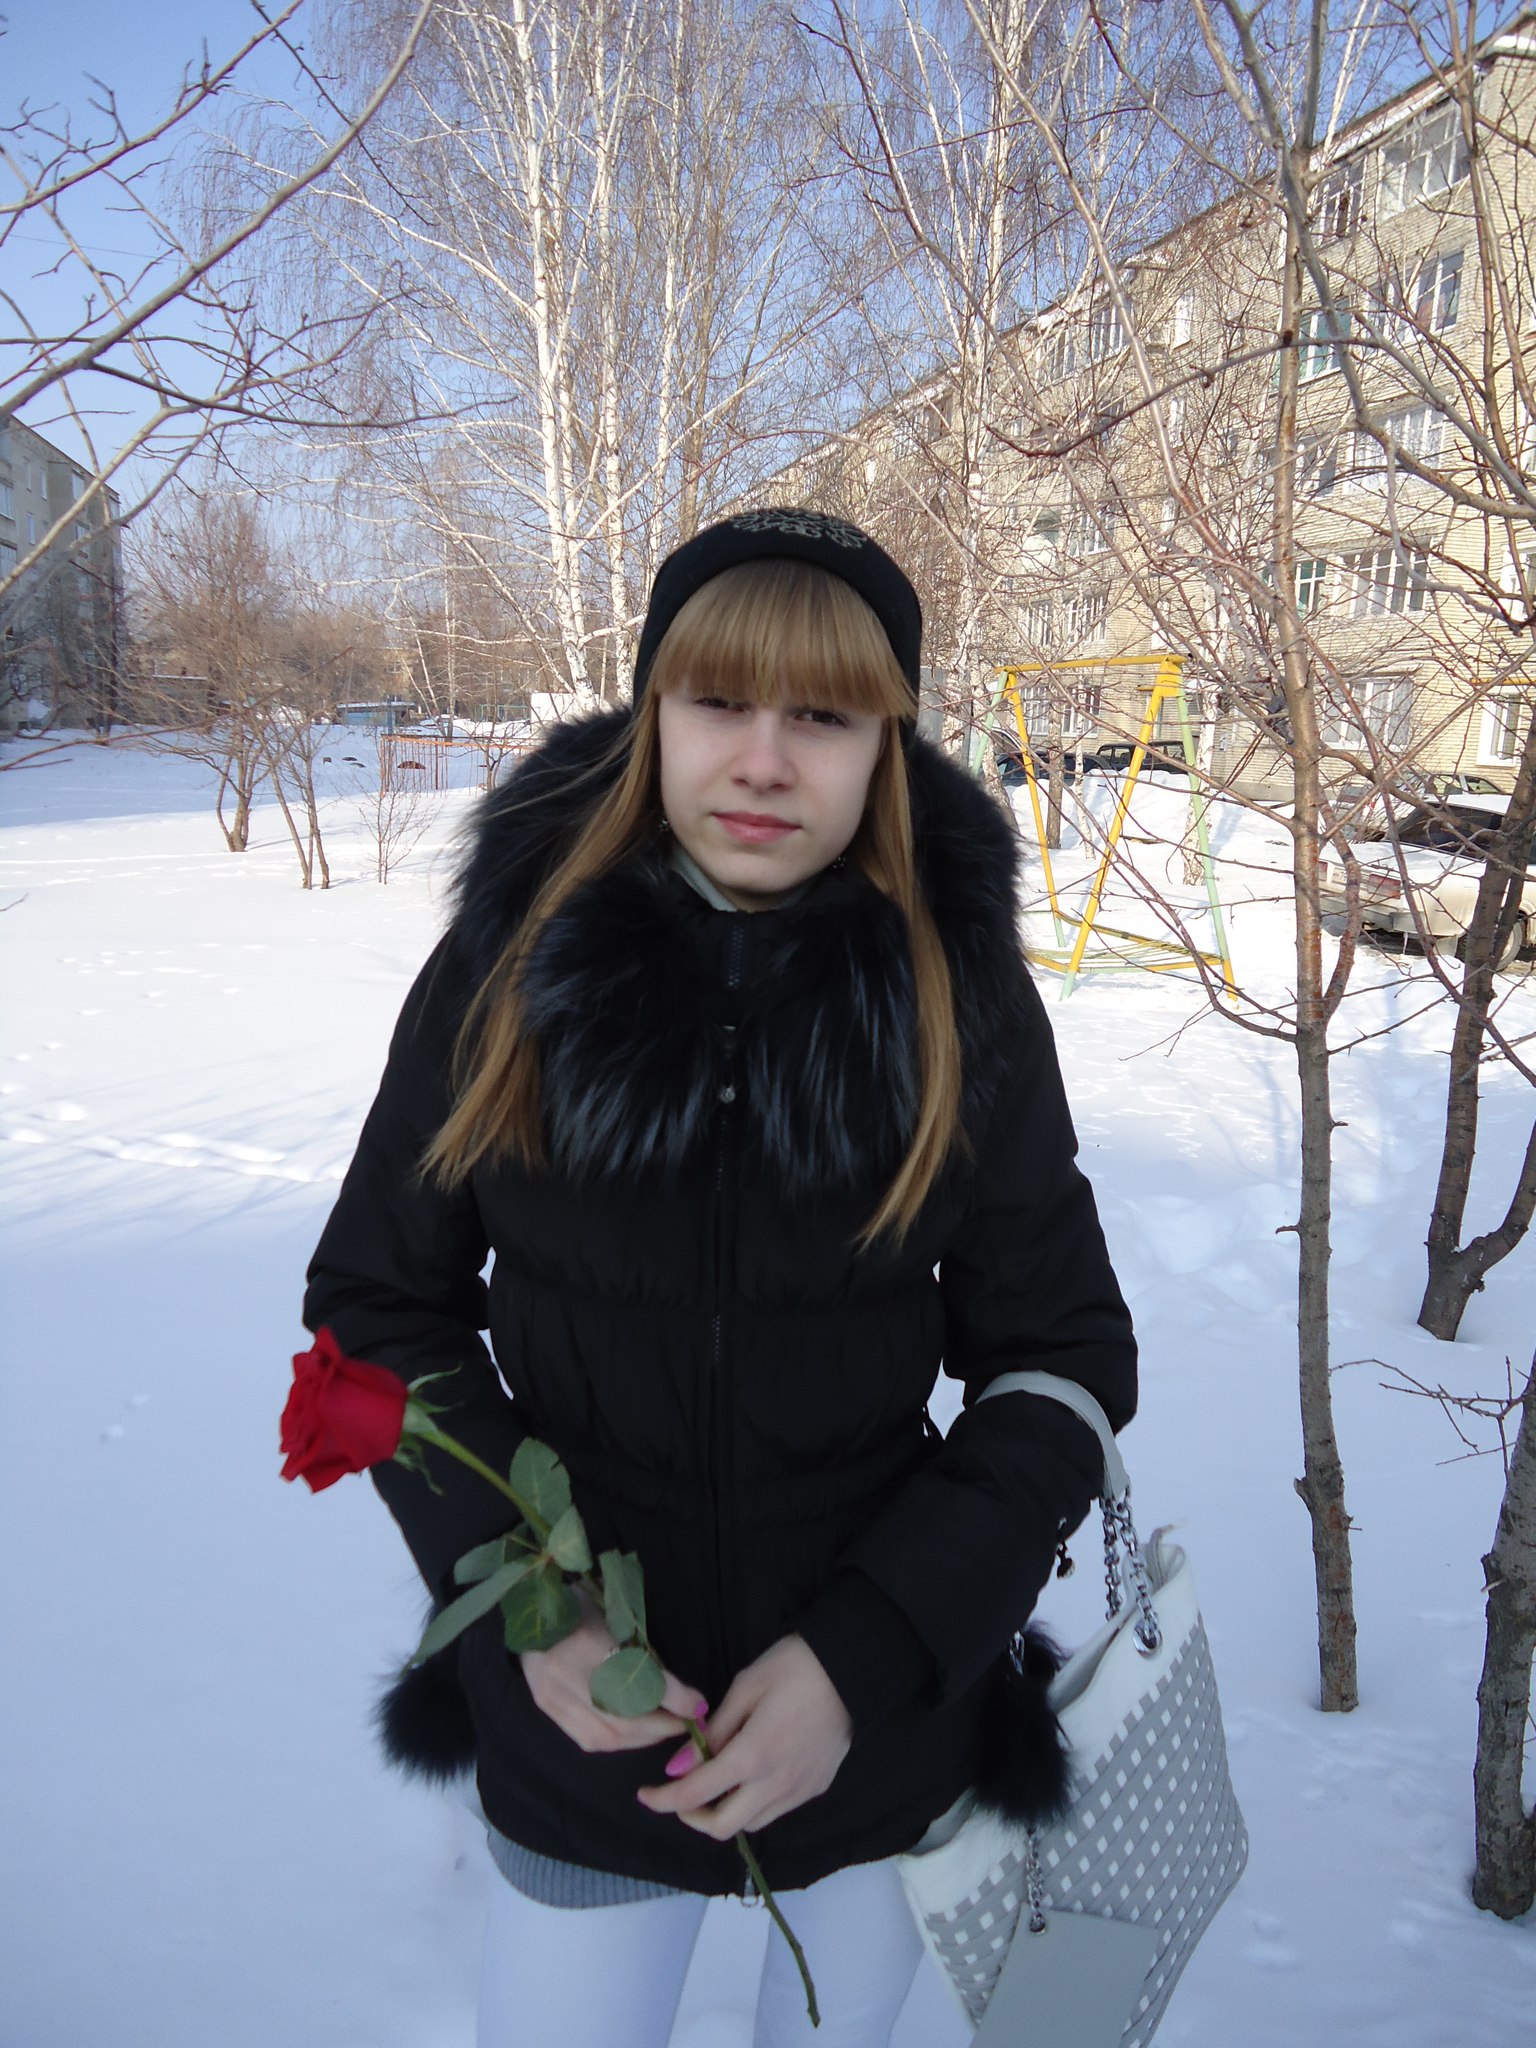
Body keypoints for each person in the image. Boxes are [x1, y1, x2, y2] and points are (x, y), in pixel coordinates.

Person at [302, 509, 1137, 2048]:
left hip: (881, 1733)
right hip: (587, 1735)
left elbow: (1063, 1356)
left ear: (886, 745)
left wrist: (863, 1662)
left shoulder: (957, 998)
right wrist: (531, 1607)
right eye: (718, 703)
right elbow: (379, 1303)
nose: (762, 762)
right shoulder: (511, 964)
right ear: (652, 715)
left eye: (822, 717)